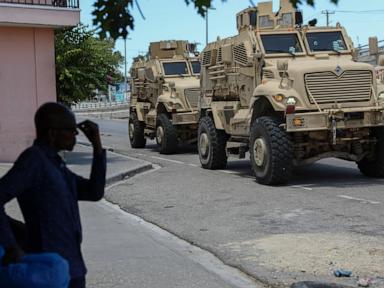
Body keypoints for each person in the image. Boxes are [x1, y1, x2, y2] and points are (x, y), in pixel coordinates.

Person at [0, 102, 106, 288]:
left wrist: (97, 147)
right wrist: (11, 245)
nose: (75, 135)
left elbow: (93, 192)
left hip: (72, 268)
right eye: (71, 130)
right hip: (48, 270)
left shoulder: (56, 164)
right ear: (52, 133)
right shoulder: (34, 160)